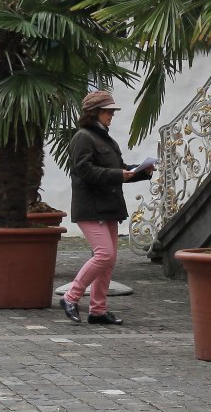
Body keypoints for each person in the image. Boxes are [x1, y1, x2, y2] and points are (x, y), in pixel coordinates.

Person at [60, 90, 154, 325]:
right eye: (107, 111)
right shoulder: (83, 137)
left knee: (109, 259)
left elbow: (119, 169)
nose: (111, 115)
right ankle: (71, 297)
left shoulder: (106, 139)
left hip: (108, 206)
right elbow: (84, 170)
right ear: (94, 113)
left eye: (112, 111)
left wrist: (141, 171)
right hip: (91, 206)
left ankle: (98, 310)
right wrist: (118, 174)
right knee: (104, 255)